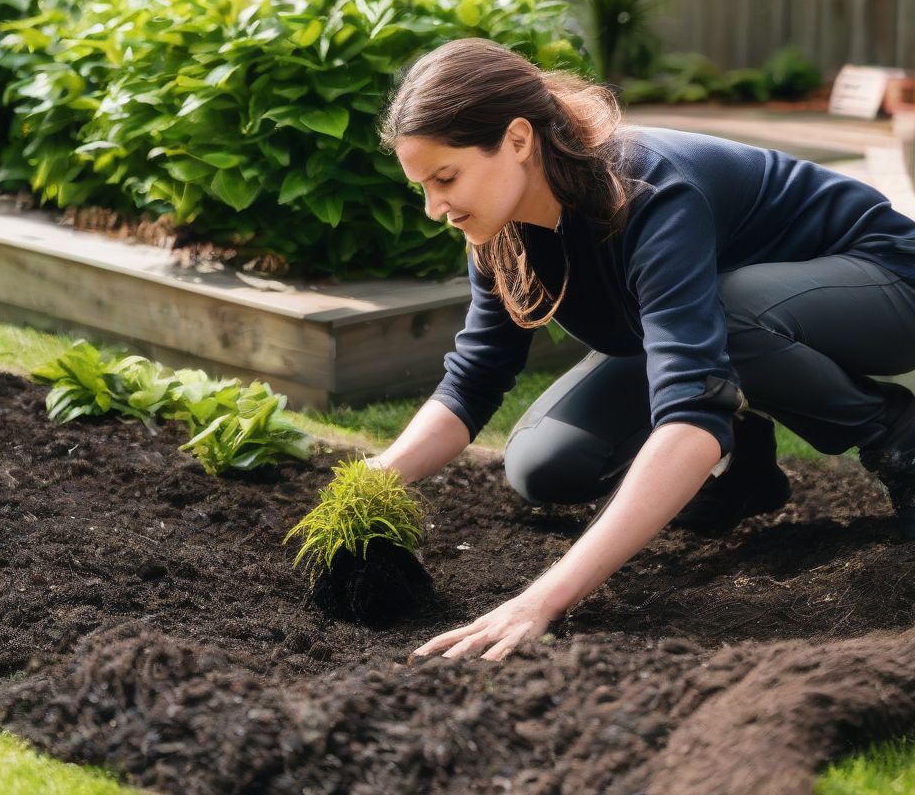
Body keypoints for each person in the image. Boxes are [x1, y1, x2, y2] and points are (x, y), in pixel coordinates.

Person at [365, 36, 915, 663]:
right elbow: (475, 378)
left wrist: (540, 599)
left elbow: (691, 408)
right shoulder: (500, 233)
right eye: (422, 187)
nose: (437, 208)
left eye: (446, 178)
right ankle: (745, 467)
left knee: (724, 315)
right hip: (743, 319)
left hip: (883, 283)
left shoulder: (648, 191)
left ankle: (896, 434)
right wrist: (369, 480)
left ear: (518, 140)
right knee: (543, 465)